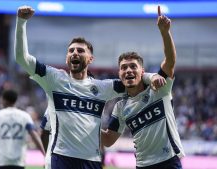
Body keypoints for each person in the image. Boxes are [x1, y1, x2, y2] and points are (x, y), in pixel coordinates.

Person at [15, 5, 165, 169]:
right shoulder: (54, 79)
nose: (75, 53)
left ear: (90, 59)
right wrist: (21, 22)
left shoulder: (101, 87)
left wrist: (152, 77)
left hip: (91, 161)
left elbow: (133, 79)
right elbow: (22, 58)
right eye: (71, 50)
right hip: (61, 157)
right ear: (67, 58)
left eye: (80, 50)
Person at [101, 6, 185, 169]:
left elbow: (170, 62)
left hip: (169, 161)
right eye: (124, 67)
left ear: (142, 71)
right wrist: (88, 122)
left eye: (133, 66)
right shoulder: (120, 107)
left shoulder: (159, 87)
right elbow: (109, 140)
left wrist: (165, 32)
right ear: (119, 74)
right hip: (142, 165)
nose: (128, 70)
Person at [0, 89, 45, 169]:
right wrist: (44, 153)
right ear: (15, 100)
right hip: (19, 162)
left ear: (4, 100)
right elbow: (34, 135)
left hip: (2, 161)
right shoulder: (25, 116)